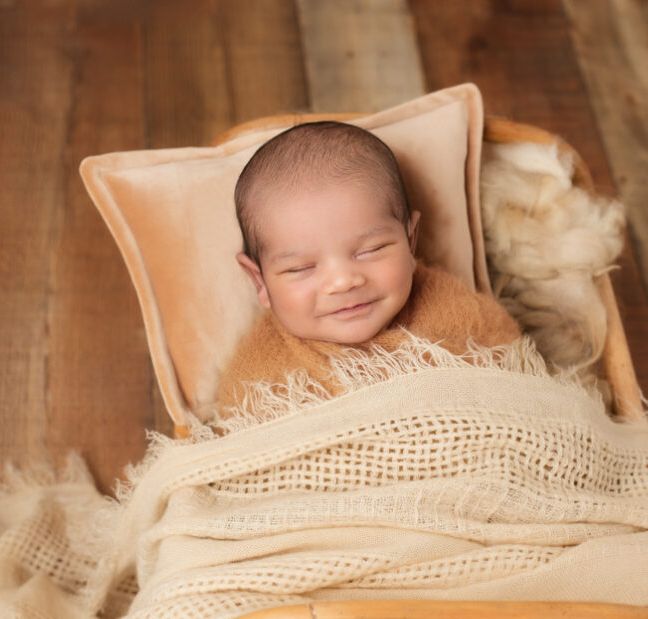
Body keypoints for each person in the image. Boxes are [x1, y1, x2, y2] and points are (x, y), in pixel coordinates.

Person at [217, 121, 521, 414]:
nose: (343, 282)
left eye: (370, 250)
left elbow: (519, 384)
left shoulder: (461, 315)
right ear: (260, 281)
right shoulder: (259, 376)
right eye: (300, 268)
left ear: (410, 240)